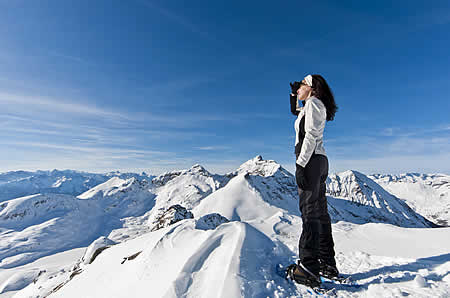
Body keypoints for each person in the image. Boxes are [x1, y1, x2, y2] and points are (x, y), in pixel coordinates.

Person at [287, 74, 339, 288]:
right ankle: (326, 264)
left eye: (301, 85)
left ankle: (308, 268)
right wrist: (294, 95)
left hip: (311, 159)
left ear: (312, 88)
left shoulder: (315, 104)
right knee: (320, 213)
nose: (298, 88)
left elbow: (311, 135)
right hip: (317, 160)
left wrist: (301, 164)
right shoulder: (310, 105)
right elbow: (296, 112)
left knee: (309, 212)